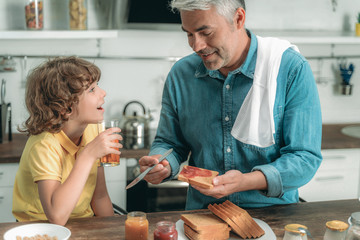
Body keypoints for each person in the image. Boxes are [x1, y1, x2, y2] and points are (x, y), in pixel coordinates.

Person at [139, 0, 322, 210]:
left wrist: (246, 181)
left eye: (205, 32)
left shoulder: (290, 69)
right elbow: (169, 142)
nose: (196, 45)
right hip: (204, 215)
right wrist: (161, 163)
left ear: (238, 18)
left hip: (274, 215)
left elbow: (304, 159)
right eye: (189, 34)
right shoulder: (181, 74)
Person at [12, 56, 122, 225]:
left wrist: (112, 231)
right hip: (39, 228)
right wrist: (88, 154)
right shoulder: (44, 144)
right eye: (92, 90)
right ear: (65, 107)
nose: (103, 92)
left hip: (82, 224)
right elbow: (56, 217)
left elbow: (99, 197)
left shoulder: (92, 129)